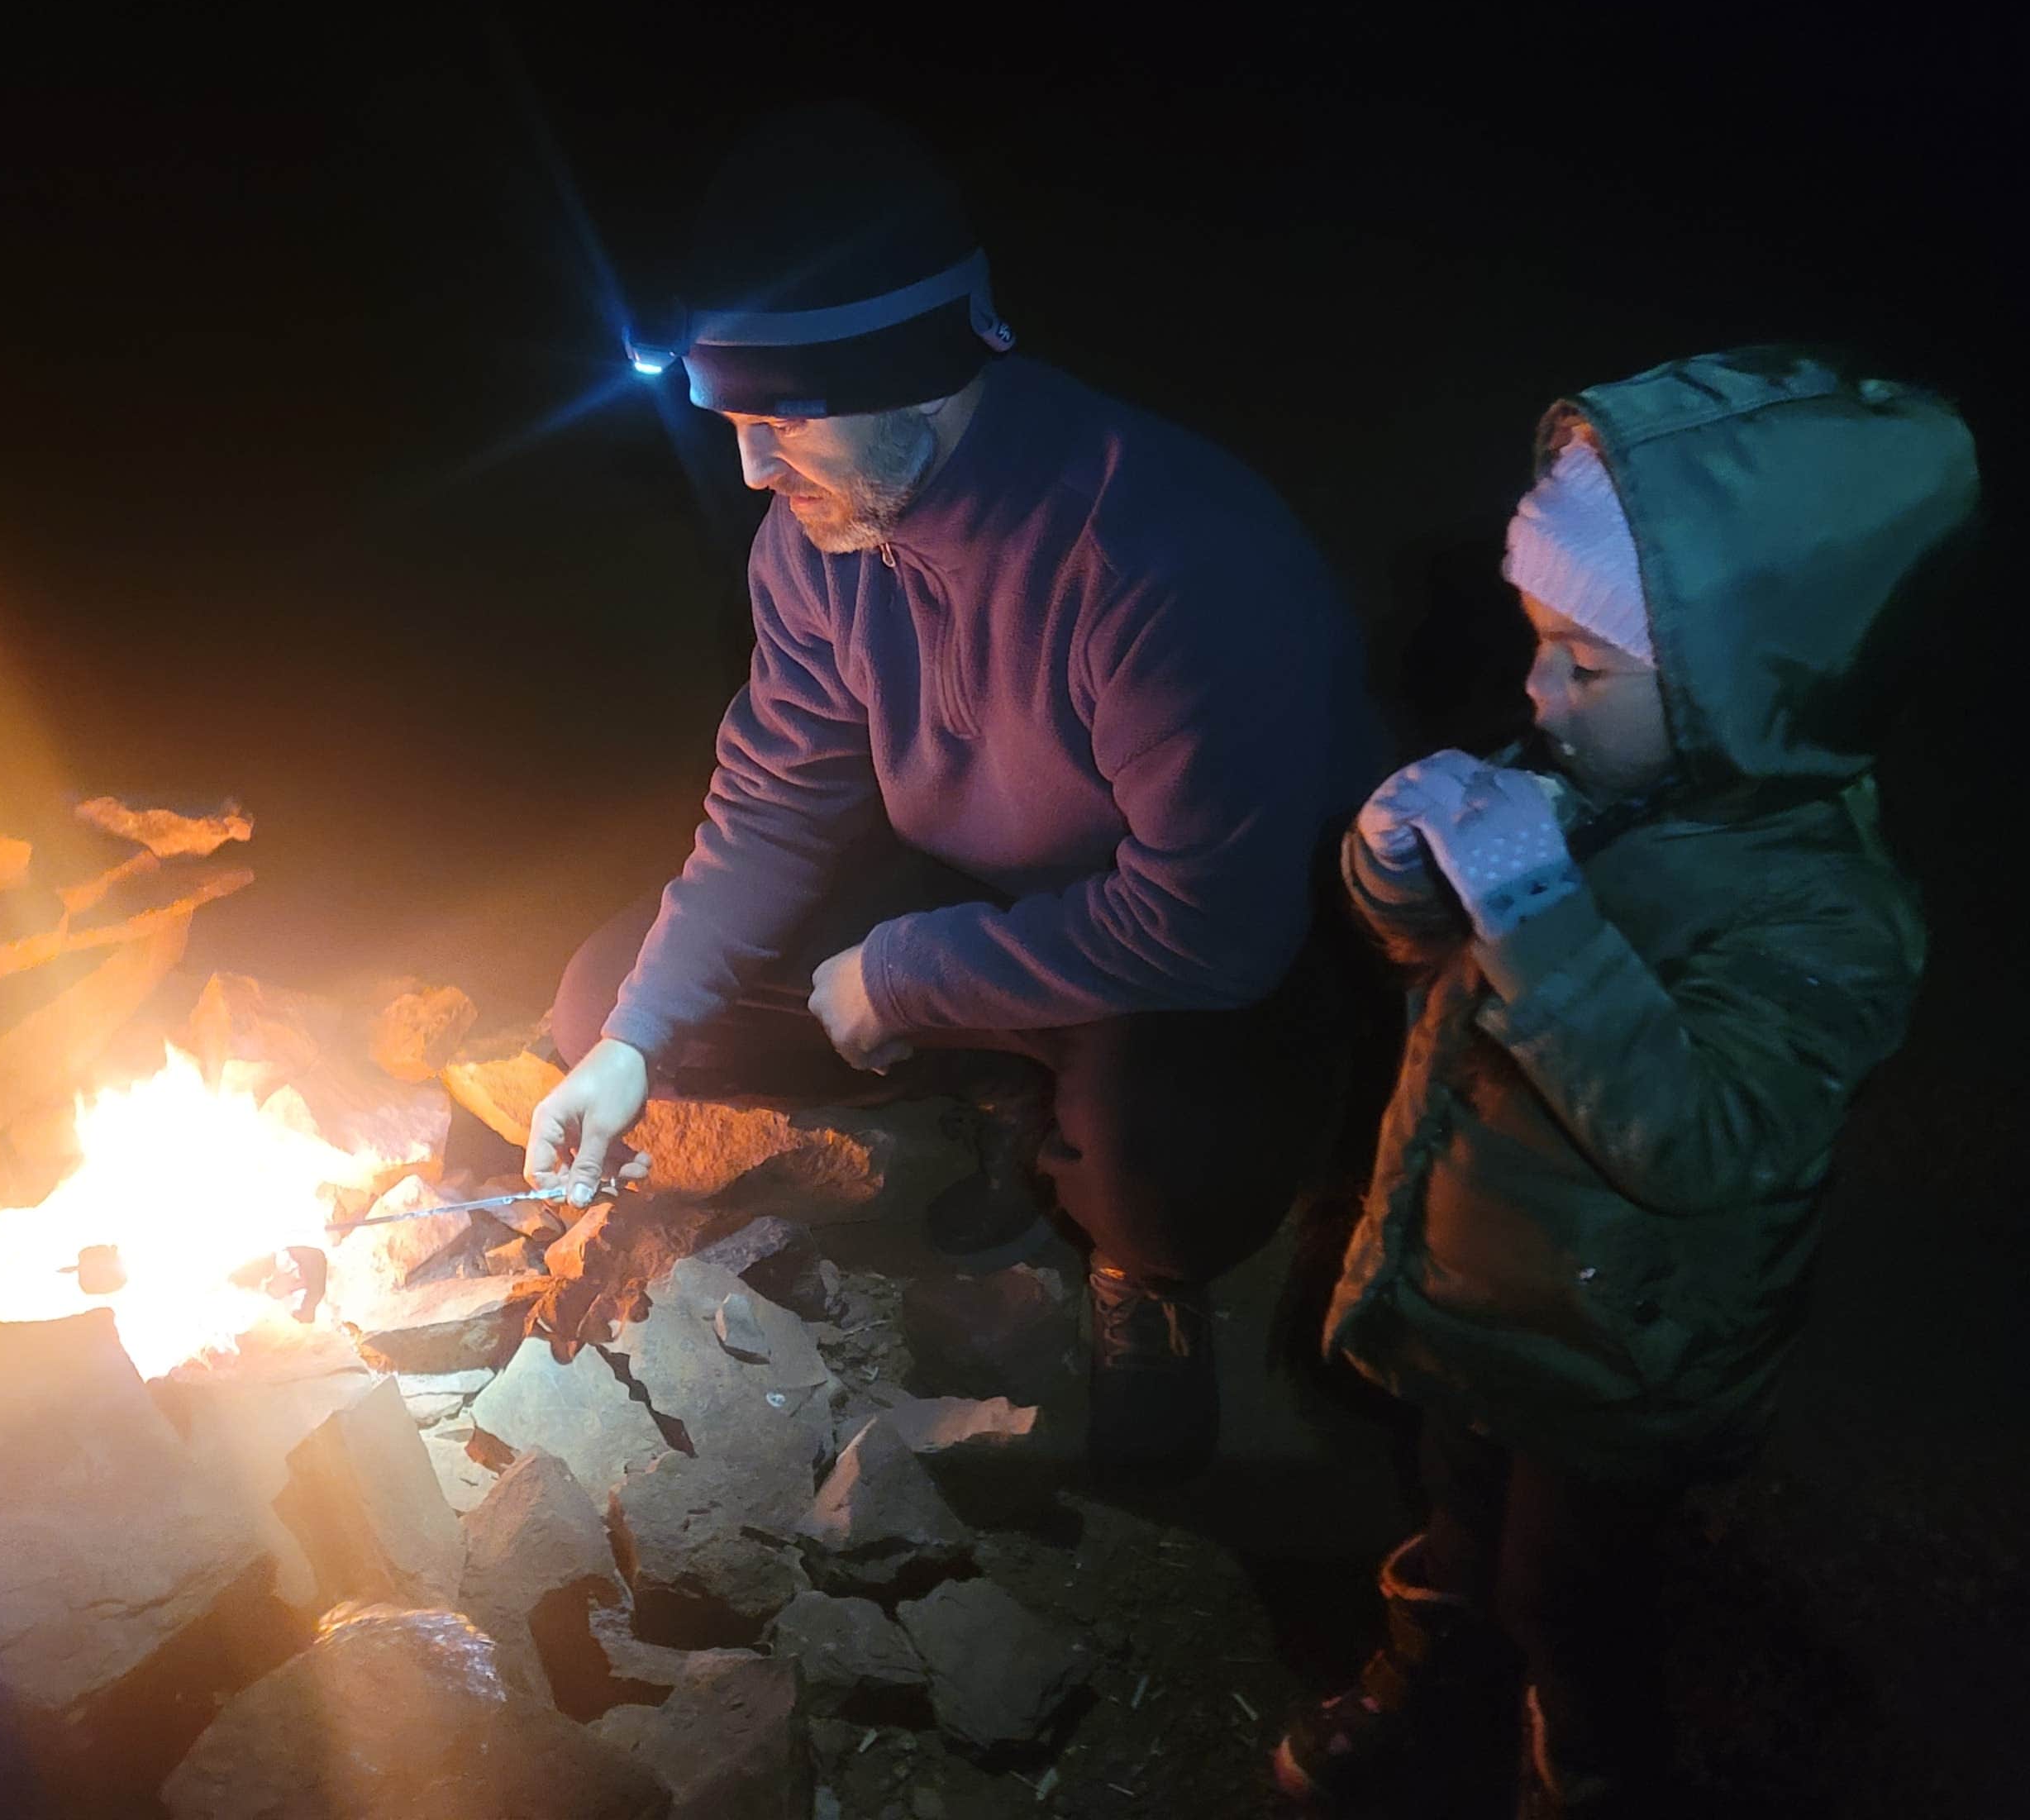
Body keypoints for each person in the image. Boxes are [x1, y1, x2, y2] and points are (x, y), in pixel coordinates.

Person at [527, 103, 1380, 1470]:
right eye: (731, 421)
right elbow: (778, 795)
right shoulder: (819, 535)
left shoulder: (1168, 558)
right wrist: (636, 1038)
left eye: (780, 421)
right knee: (604, 1001)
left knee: (1161, 1157)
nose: (751, 468)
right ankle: (1003, 1088)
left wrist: (910, 976)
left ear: (918, 382)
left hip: (1209, 948)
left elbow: (1213, 925)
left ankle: (1143, 1271)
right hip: (987, 887)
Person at [1272, 349, 1978, 1818]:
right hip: (1474, 1279)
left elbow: (1708, 1141)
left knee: (1570, 1591)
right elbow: (1432, 963)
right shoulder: (1592, 779)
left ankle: (1591, 1764)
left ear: (1739, 691)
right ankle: (1428, 1682)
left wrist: (1534, 911)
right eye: (1540, 642)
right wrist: (1400, 870)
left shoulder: (1828, 918)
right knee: (1457, 1522)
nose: (1536, 692)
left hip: (1627, 1345)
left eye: (1583, 665)